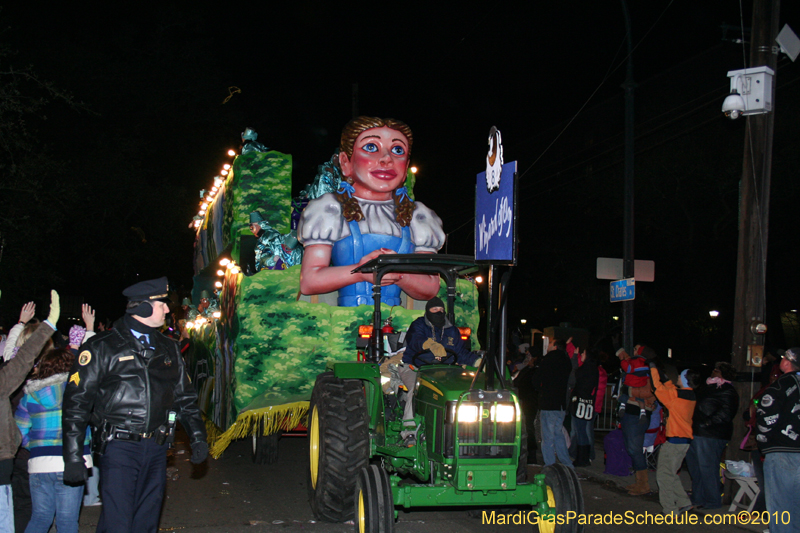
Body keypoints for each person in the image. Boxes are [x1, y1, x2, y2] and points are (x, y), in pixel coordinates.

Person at [62, 277, 208, 533]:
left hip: (157, 448)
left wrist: (197, 437)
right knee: (118, 522)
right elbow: (77, 404)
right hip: (119, 448)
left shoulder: (169, 348)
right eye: (162, 304)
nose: (167, 309)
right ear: (142, 307)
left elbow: (184, 398)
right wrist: (73, 456)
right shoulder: (101, 347)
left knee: (146, 522)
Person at [297, 116, 444, 307]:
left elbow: (430, 287)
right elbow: (309, 281)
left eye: (397, 150)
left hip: (398, 320)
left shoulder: (419, 216)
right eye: (371, 147)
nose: (386, 159)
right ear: (345, 162)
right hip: (345, 320)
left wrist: (398, 273)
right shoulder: (330, 209)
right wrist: (360, 272)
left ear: (406, 166)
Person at [0, 291, 60, 532]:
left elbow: (20, 357)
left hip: (17, 455)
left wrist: (23, 324)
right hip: (27, 452)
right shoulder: (52, 376)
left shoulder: (8, 373)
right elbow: (23, 358)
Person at [15, 347, 92, 533]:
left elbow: (19, 432)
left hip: (39, 463)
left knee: (40, 517)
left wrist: (35, 446)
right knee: (67, 521)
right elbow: (88, 427)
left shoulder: (30, 396)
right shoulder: (78, 392)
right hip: (72, 461)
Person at [398, 297, 482, 446]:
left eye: (441, 310)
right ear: (428, 311)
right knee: (414, 390)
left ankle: (461, 430)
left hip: (444, 371)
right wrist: (430, 344)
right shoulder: (419, 324)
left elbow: (460, 353)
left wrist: (478, 362)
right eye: (435, 310)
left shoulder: (452, 331)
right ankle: (409, 432)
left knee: (459, 392)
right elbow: (415, 339)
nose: (438, 312)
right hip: (415, 368)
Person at [756, 347, 800, 533]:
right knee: (796, 505)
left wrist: (765, 443)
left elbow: (766, 415)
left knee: (781, 506)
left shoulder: (781, 385)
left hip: (782, 451)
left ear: (787, 363)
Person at [686, 361, 739, 510]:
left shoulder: (727, 390)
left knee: (707, 467)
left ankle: (712, 500)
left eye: (717, 370)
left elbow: (726, 413)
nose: (713, 371)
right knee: (695, 467)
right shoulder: (708, 387)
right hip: (697, 431)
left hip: (711, 434)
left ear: (723, 373)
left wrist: (706, 423)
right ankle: (698, 498)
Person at [650, 364, 698, 515]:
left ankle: (670, 509)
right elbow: (670, 388)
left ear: (684, 379)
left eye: (679, 376)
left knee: (664, 475)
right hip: (684, 440)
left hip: (674, 441)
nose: (677, 377)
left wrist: (653, 370)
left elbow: (657, 388)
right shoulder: (690, 395)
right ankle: (684, 502)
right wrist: (663, 376)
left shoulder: (675, 395)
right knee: (671, 473)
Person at [617, 346, 657, 495]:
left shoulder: (649, 371)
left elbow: (649, 392)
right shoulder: (639, 367)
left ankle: (643, 484)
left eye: (636, 349)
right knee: (631, 448)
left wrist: (628, 391)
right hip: (630, 411)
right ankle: (639, 481)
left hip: (638, 414)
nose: (633, 351)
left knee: (635, 448)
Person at [532, 338, 574, 468]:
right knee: (558, 434)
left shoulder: (548, 359)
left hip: (548, 402)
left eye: (550, 343)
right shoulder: (566, 360)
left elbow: (536, 379)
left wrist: (541, 389)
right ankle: (567, 463)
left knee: (547, 437)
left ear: (555, 346)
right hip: (560, 404)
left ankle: (550, 465)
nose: (548, 345)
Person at [570, 348, 598, 467]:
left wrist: (574, 359)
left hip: (580, 404)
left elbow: (573, 378)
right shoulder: (594, 370)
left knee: (580, 431)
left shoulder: (584, 370)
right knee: (583, 431)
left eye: (583, 353)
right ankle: (585, 458)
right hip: (588, 404)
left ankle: (581, 459)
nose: (581, 354)